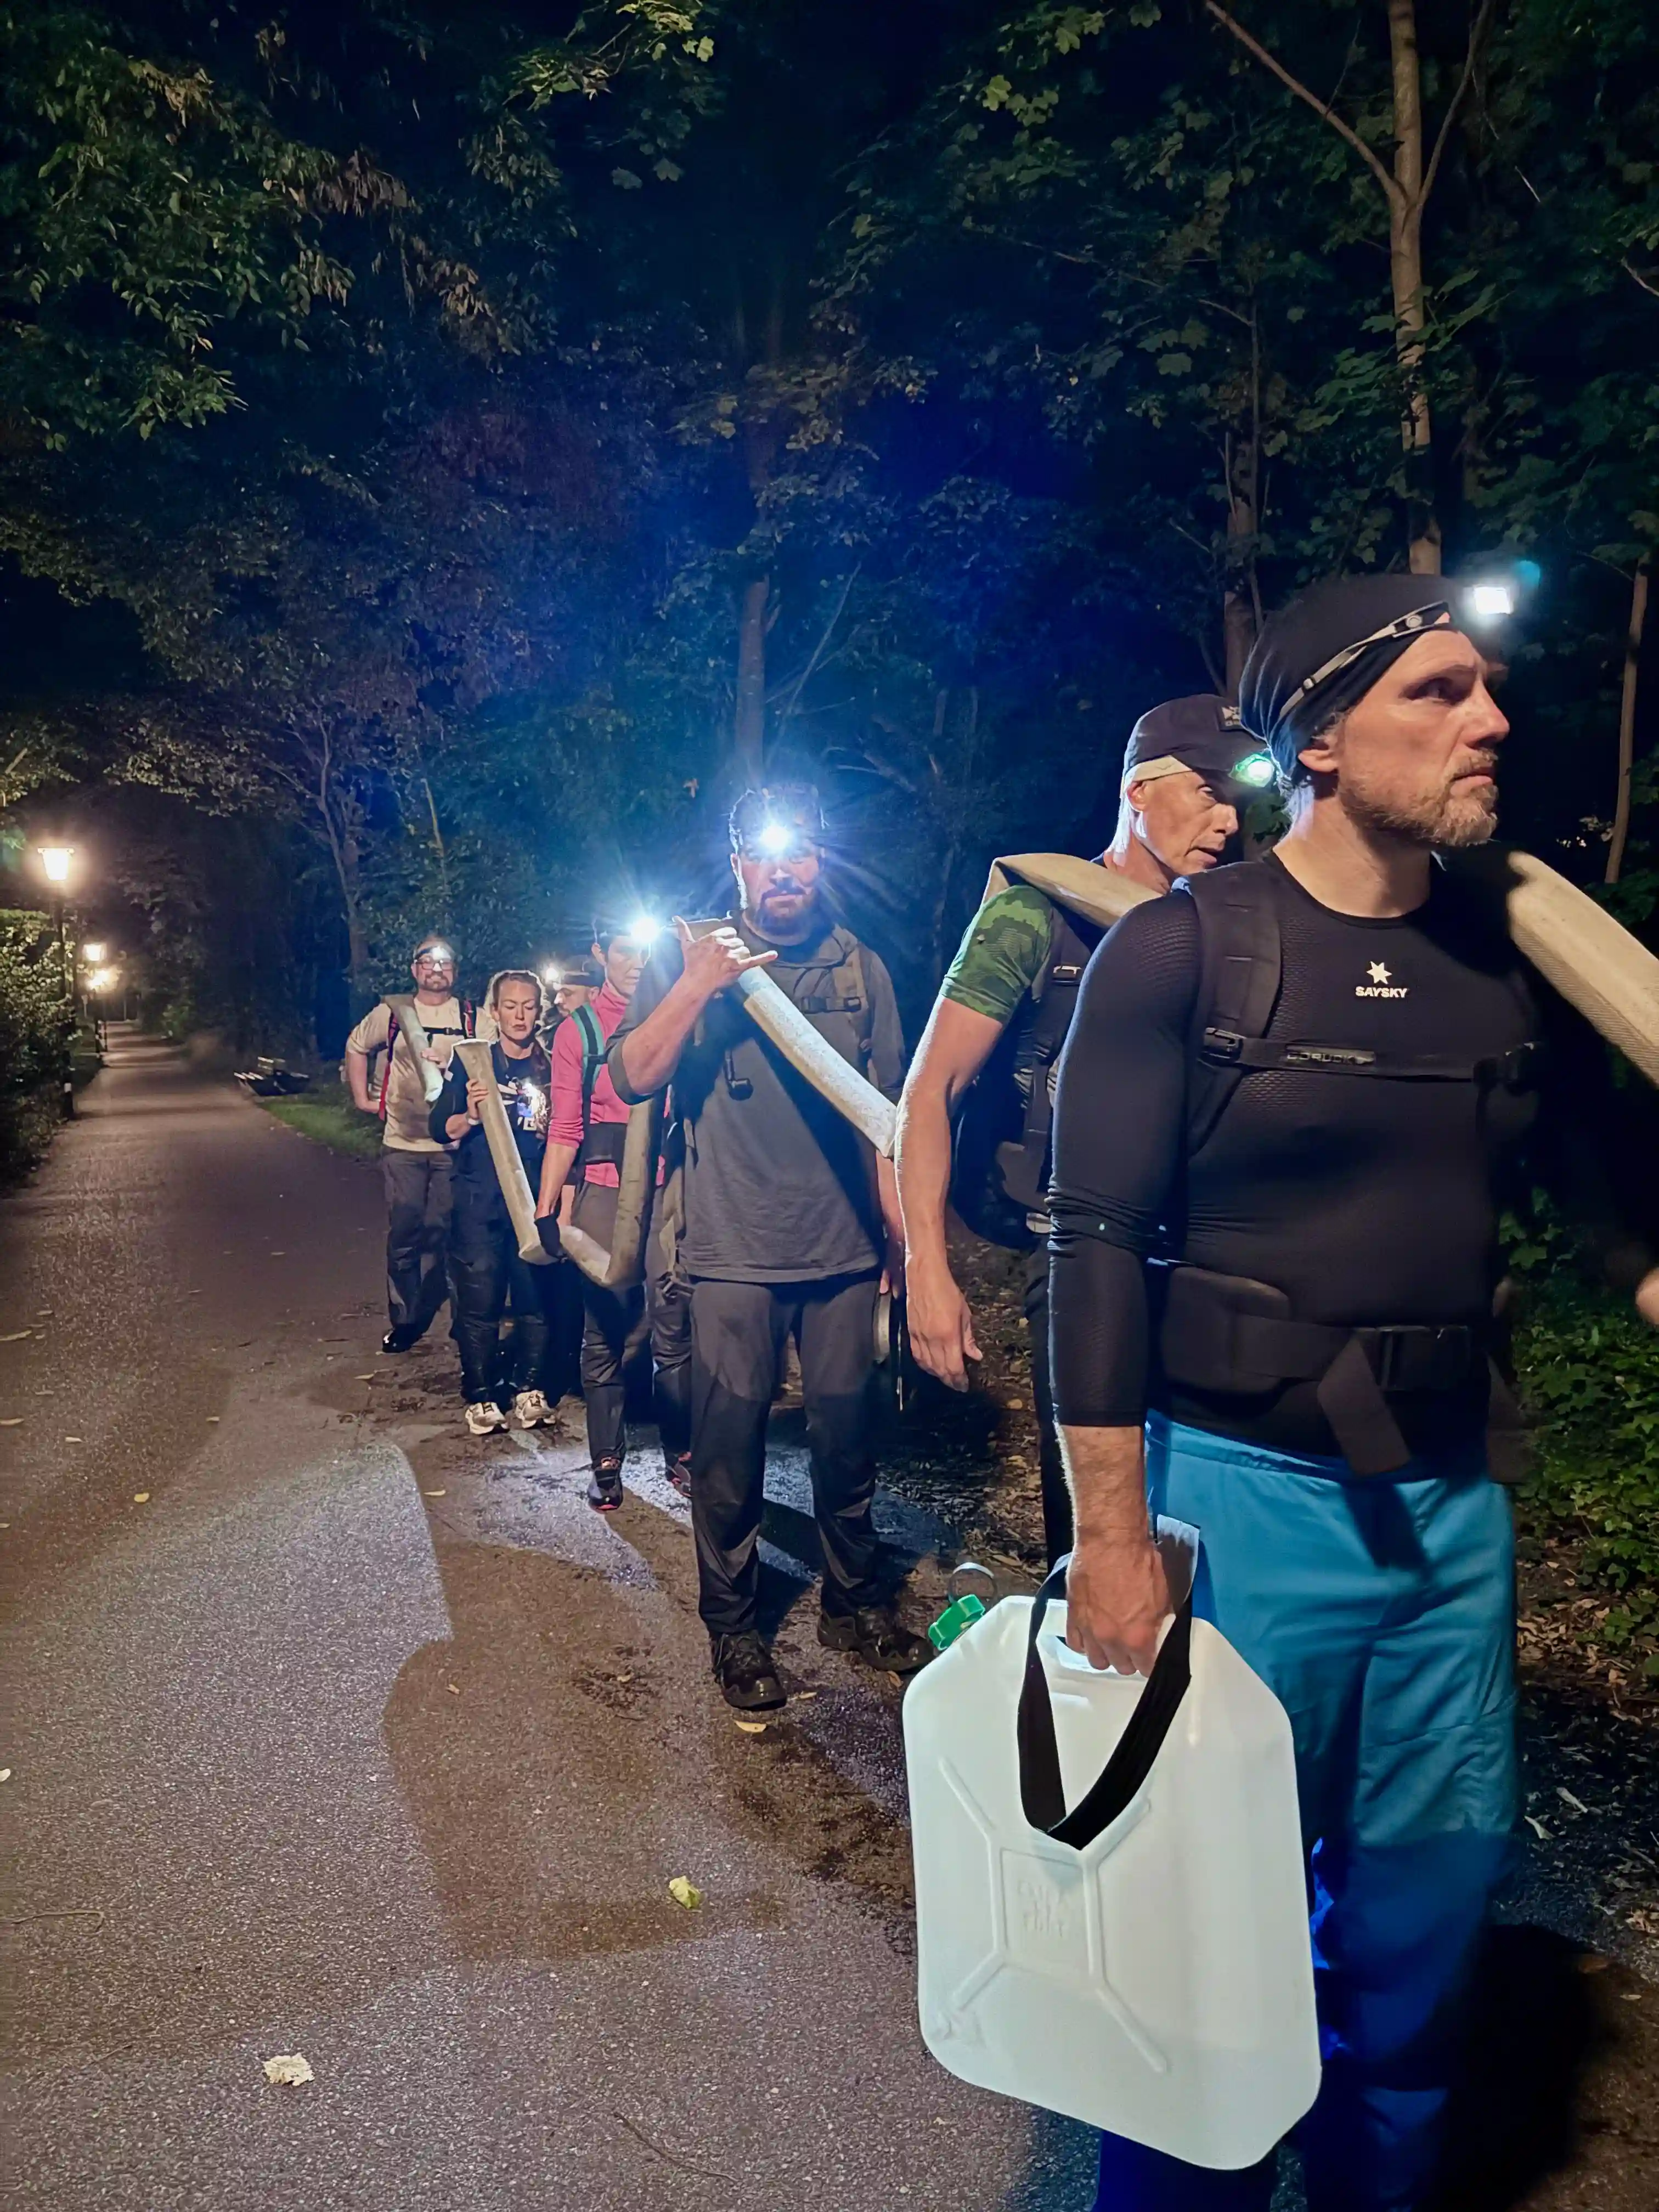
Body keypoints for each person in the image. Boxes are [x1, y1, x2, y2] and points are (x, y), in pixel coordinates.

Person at [1046, 575, 1658, 2212]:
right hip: (1241, 1503)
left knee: (1425, 1923)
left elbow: (1610, 1225)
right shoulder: (1185, 958)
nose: (1493, 724)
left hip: (1454, 1515)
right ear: (1320, 738)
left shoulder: (1512, 963)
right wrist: (1113, 1539)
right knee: (1199, 1940)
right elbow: (1093, 1249)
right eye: (1440, 696)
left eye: (1491, 692)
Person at [895, 698, 1253, 1565]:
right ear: (1137, 788)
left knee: (1203, 1514)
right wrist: (926, 1269)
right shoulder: (1032, 920)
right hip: (1075, 1249)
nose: (1229, 821)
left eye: (1239, 800)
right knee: (1096, 1525)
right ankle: (1089, 1679)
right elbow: (929, 1091)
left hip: (1204, 1252)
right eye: (1205, 792)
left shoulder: (1231, 927)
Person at [608, 783, 932, 1711]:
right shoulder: (695, 958)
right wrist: (699, 983)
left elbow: (890, 1127)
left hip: (838, 1256)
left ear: (819, 862)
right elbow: (631, 1074)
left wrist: (905, 1255)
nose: (784, 873)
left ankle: (852, 1604)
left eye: (801, 855)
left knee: (846, 1444)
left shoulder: (856, 966)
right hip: (730, 1256)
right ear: (739, 863)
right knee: (728, 1453)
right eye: (765, 857)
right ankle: (735, 1627)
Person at [535, 922, 691, 1510]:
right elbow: (566, 1129)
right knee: (606, 1330)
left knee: (675, 1325)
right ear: (601, 953)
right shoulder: (580, 1030)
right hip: (603, 1193)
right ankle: (606, 1458)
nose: (636, 963)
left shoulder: (679, 1013)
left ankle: (683, 1452)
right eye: (625, 950)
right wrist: (548, 1206)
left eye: (648, 952)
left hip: (668, 1194)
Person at [427, 969, 559, 1434]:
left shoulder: (552, 1064)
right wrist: (469, 1112)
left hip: (534, 1203)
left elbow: (566, 1134)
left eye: (528, 1006)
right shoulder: (474, 1062)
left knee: (535, 1300)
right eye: (510, 1006)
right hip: (479, 1202)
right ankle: (481, 1396)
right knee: (479, 1300)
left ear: (539, 1011)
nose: (520, 1015)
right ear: (495, 1011)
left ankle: (529, 1389)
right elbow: (441, 1129)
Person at [345, 935, 476, 1352]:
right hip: (403, 1143)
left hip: (456, 1147)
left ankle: (465, 1320)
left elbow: (494, 1061)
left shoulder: (473, 1016)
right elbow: (356, 1045)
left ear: (454, 971)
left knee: (455, 1233)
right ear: (415, 969)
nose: (437, 970)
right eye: (428, 962)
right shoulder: (394, 1014)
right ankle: (404, 1320)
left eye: (445, 963)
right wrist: (362, 1098)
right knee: (405, 1233)